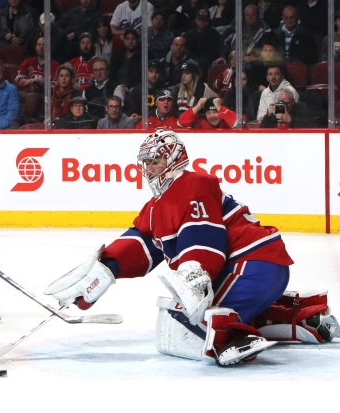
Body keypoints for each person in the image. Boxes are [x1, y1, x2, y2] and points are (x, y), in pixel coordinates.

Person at [44, 129, 340, 366]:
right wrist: (107, 267)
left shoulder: (193, 184)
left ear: (173, 161)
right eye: (146, 162)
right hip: (259, 268)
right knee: (186, 318)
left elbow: (204, 241)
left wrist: (195, 272)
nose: (148, 169)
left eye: (155, 161)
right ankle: (301, 317)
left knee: (182, 326)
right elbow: (145, 243)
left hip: (251, 266)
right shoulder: (159, 204)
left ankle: (228, 337)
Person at [15, 36, 59, 123]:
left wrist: (44, 82)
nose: (41, 47)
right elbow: (19, 81)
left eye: (44, 45)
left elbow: (56, 85)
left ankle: (27, 121)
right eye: (39, 45)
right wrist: (33, 81)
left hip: (44, 94)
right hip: (25, 93)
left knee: (33, 96)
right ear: (36, 47)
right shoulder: (28, 62)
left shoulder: (55, 65)